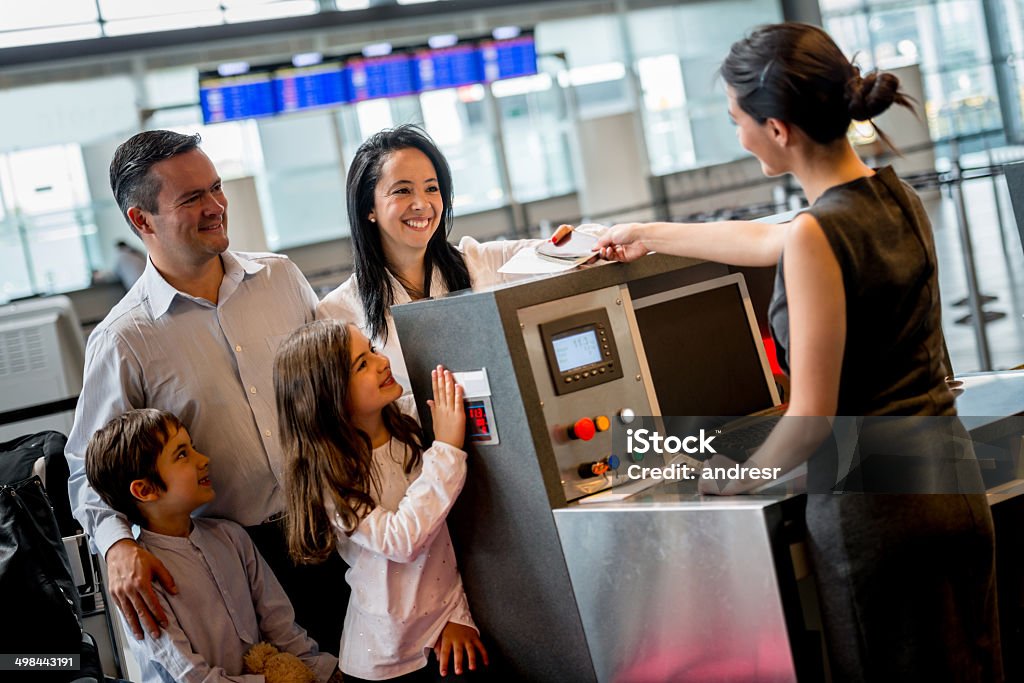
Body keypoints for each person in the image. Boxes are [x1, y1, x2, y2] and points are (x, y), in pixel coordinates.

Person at [596, 22, 1001, 681]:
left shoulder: (817, 234)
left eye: (737, 120)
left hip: (879, 519)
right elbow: (766, 241)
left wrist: (731, 477)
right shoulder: (893, 197)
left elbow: (811, 418)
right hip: (952, 494)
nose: (738, 134)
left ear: (778, 128)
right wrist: (644, 232)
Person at [65, 130, 347, 656]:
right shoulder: (125, 339)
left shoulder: (281, 278)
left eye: (215, 188)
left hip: (340, 530)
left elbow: (337, 385)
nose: (216, 206)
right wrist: (118, 544)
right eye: (191, 198)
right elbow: (87, 466)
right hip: (239, 565)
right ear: (140, 220)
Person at [274, 320, 490, 682]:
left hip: (444, 626)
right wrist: (448, 448)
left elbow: (440, 541)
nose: (381, 362)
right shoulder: (331, 478)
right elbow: (402, 540)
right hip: (383, 660)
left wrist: (457, 614)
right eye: (362, 364)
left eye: (372, 350)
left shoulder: (408, 420)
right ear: (330, 396)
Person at [84, 409, 342, 683]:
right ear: (145, 490)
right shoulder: (144, 580)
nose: (203, 459)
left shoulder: (231, 537)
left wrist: (326, 672)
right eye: (182, 454)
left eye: (193, 447)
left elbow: (281, 627)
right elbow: (190, 676)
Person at [317, 124, 542, 390]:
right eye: (403, 190)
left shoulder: (481, 263)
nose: (422, 204)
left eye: (431, 188)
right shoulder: (338, 313)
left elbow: (567, 251)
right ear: (369, 207)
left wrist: (603, 240)